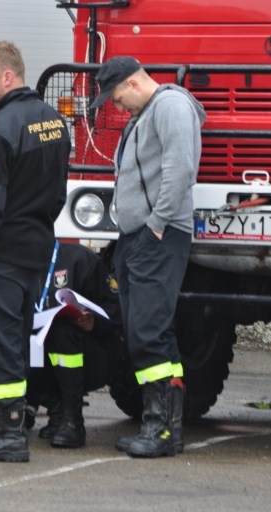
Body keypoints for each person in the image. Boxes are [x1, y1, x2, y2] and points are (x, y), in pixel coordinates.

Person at [89, 56, 206, 457]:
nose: (116, 105)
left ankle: (160, 430)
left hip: (157, 235)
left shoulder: (170, 106)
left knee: (148, 331)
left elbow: (180, 169)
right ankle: (163, 428)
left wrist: (156, 223)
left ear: (134, 83)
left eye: (116, 96)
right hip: (140, 236)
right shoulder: (147, 113)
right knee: (147, 330)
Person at [0, 41, 70, 462]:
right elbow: (58, 195)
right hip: (35, 252)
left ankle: (6, 431)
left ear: (7, 77)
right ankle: (10, 422)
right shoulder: (54, 121)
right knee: (17, 340)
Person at [28, 241, 119, 449]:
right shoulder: (13, 263)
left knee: (62, 332)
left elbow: (116, 309)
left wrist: (93, 321)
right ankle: (53, 409)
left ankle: (73, 420)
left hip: (89, 355)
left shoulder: (79, 260)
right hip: (37, 351)